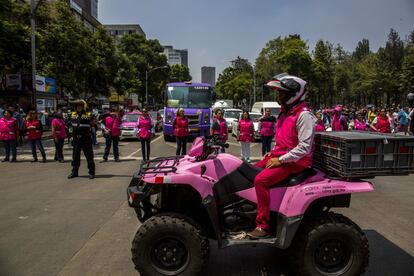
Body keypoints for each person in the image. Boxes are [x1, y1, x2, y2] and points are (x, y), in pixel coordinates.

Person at [247, 73, 316, 239]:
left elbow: (304, 148)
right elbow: (284, 139)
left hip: (296, 162)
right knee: (248, 170)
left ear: (294, 94)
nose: (277, 96)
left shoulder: (304, 115)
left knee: (260, 180)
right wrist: (274, 152)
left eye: (281, 93)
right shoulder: (286, 113)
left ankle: (263, 225)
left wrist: (280, 159)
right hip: (282, 156)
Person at [68, 100, 95, 179]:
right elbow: (70, 126)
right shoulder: (72, 114)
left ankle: (91, 172)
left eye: (80, 106)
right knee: (75, 156)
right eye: (77, 106)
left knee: (89, 156)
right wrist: (70, 136)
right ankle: (74, 172)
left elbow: (94, 124)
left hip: (86, 138)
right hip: (76, 139)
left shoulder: (89, 114)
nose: (79, 107)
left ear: (83, 107)